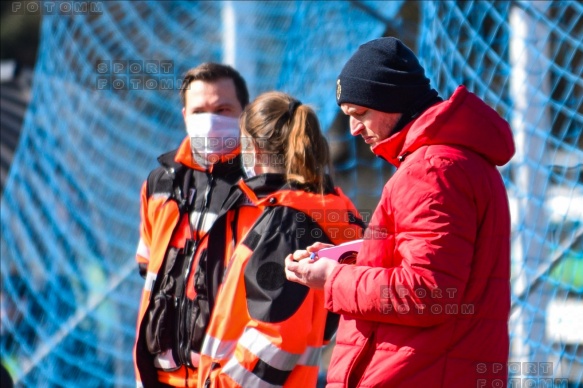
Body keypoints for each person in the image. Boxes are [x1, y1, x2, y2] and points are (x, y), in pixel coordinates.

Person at [285, 37, 514, 387]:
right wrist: (346, 259)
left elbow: (426, 291)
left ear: (392, 99)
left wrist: (333, 279)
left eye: (360, 114)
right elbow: (431, 264)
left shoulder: (433, 169)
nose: (353, 129)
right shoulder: (455, 160)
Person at [195, 91, 365, 387]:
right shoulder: (324, 210)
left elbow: (277, 338)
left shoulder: (288, 223)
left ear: (256, 151)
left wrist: (220, 384)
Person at [133, 62, 249, 387]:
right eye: (199, 111)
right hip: (160, 378)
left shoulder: (273, 187)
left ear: (246, 113)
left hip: (232, 380)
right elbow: (148, 268)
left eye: (223, 109)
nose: (210, 121)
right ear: (185, 116)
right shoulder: (160, 183)